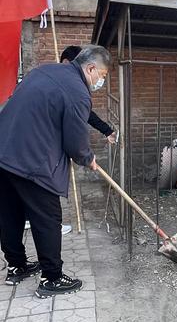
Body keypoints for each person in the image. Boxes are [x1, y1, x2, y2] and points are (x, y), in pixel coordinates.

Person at [0, 45, 111, 298]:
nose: (100, 81)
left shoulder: (44, 71)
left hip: (3, 152)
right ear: (90, 68)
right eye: (101, 75)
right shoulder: (78, 93)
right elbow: (75, 140)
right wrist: (87, 158)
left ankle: (16, 266)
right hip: (33, 161)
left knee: (10, 213)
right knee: (48, 218)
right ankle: (52, 278)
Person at [61, 46, 117, 144]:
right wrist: (86, 157)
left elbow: (85, 112)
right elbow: (75, 131)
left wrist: (106, 130)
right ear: (66, 62)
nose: (101, 79)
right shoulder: (69, 88)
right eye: (102, 74)